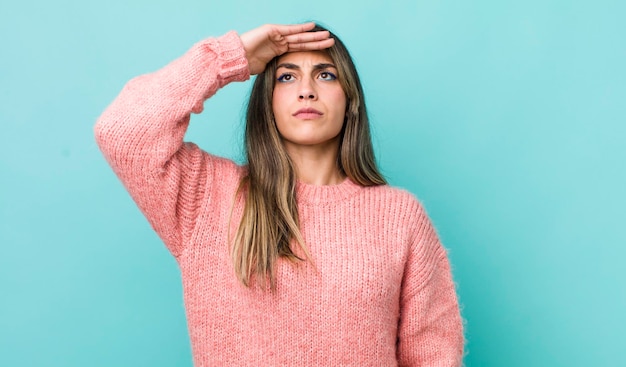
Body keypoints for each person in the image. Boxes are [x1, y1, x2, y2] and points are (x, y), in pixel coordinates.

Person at [95, 22, 464, 366]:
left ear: (350, 100)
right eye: (287, 77)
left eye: (325, 74)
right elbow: (122, 130)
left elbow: (434, 356)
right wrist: (228, 58)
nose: (307, 89)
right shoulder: (207, 196)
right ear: (266, 103)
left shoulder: (398, 216)